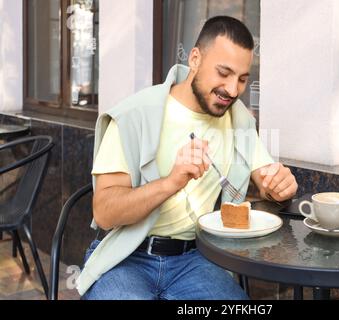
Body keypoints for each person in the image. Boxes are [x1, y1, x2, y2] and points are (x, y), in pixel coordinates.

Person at [77, 16, 298, 300]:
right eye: (223, 73)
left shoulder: (238, 118)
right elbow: (105, 213)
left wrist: (281, 187)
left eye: (242, 79)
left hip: (195, 260)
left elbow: (267, 179)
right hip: (127, 256)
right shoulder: (134, 116)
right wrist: (171, 182)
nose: (232, 90)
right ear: (194, 59)